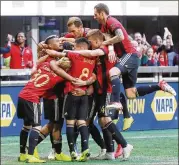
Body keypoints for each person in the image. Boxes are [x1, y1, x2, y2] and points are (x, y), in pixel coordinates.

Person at [93, 3, 176, 113]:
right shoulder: (104, 26)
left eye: (95, 14)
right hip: (129, 57)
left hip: (129, 54)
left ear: (102, 13)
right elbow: (109, 37)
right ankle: (160, 85)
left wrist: (105, 42)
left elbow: (120, 36)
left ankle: (116, 101)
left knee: (113, 72)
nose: (94, 17)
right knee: (130, 93)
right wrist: (111, 48)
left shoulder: (111, 21)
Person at [67, 29, 133, 160]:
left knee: (104, 119)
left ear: (98, 41)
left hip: (106, 90)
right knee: (96, 122)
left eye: (91, 42)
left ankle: (124, 145)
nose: (89, 44)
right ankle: (108, 150)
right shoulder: (98, 54)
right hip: (98, 92)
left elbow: (100, 46)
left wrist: (72, 51)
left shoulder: (104, 50)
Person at [17, 36, 77, 163]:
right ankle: (32, 154)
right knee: (41, 126)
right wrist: (72, 78)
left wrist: (49, 53)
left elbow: (39, 62)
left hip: (23, 94)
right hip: (35, 97)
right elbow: (57, 68)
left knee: (27, 126)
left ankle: (23, 154)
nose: (60, 42)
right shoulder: (59, 74)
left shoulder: (44, 62)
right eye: (56, 42)